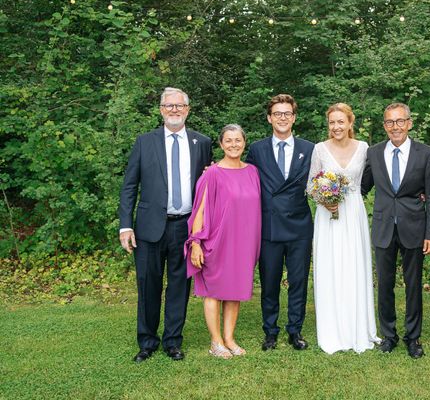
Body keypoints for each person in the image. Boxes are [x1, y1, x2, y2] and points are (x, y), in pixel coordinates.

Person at [118, 87, 212, 363]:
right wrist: (125, 225)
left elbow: (208, 187)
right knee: (148, 285)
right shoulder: (144, 142)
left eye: (179, 106)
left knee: (179, 287)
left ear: (188, 109)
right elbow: (129, 187)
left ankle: (173, 341)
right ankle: (147, 342)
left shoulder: (202, 143)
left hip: (185, 228)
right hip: (149, 227)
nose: (174, 110)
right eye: (169, 106)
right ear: (161, 110)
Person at [361, 102, 430, 359]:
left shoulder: (425, 154)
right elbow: (362, 187)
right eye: (390, 122)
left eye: (400, 121)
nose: (395, 127)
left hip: (414, 228)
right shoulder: (373, 153)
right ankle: (389, 336)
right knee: (384, 284)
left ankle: (413, 337)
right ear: (384, 126)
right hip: (383, 227)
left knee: (413, 285)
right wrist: (333, 193)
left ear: (409, 123)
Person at [245, 94, 315, 351]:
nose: (282, 118)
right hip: (269, 227)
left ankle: (295, 331)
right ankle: (270, 331)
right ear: (269, 118)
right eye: (277, 114)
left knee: (298, 282)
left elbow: (322, 179)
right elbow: (245, 181)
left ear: (294, 118)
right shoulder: (257, 149)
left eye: (287, 114)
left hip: (299, 227)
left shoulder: (310, 149)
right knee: (270, 282)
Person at [308, 103, 379, 354]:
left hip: (354, 212)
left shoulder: (364, 148)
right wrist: (326, 201)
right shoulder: (319, 149)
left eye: (341, 122)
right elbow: (311, 185)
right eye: (332, 122)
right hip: (328, 215)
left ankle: (356, 327)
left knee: (353, 265)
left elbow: (370, 180)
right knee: (331, 267)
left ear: (350, 123)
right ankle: (332, 329)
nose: (336, 127)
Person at [185, 124, 261, 358]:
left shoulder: (252, 172)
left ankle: (229, 338)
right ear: (221, 144)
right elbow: (199, 210)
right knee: (214, 291)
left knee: (235, 290)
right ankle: (215, 342)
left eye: (238, 140)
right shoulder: (212, 173)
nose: (233, 144)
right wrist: (196, 241)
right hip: (217, 240)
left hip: (244, 241)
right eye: (228, 140)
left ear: (244, 142)